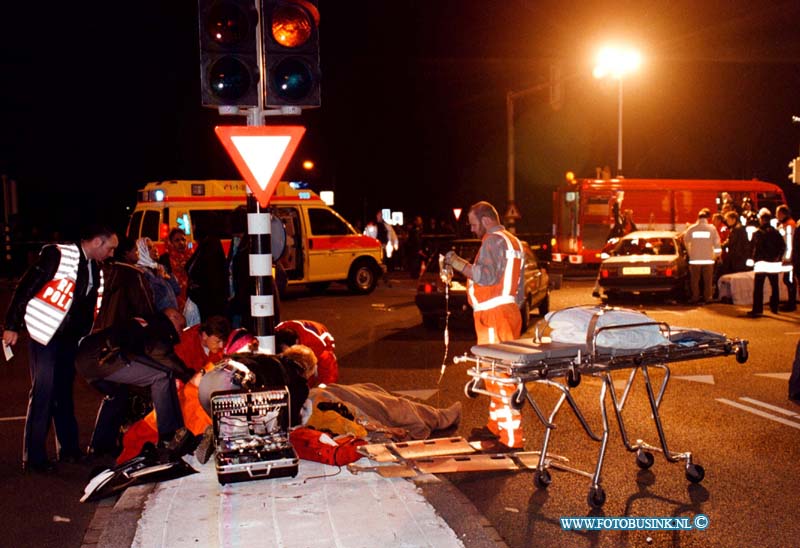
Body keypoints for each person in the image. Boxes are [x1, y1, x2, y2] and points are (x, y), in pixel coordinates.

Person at [2, 224, 118, 473]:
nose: (111, 254)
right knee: (43, 392)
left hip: (69, 339)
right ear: (98, 242)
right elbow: (25, 287)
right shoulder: (58, 255)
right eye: (110, 248)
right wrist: (11, 325)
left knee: (63, 391)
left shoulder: (93, 267)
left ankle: (69, 450)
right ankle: (34, 458)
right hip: (46, 334)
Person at [444, 201, 525, 450]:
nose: (471, 229)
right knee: (493, 375)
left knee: (499, 377)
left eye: (473, 224)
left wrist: (456, 263)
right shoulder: (513, 241)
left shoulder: (492, 240)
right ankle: (495, 428)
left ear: (486, 220)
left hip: (493, 315)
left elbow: (486, 276)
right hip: (505, 312)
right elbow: (518, 289)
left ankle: (511, 439)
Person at [76, 308, 194, 462]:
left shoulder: (145, 322)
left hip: (87, 358)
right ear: (172, 317)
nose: (182, 332)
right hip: (104, 358)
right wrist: (190, 375)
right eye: (181, 326)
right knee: (162, 377)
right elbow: (163, 357)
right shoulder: (160, 325)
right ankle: (168, 437)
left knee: (117, 395)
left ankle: (100, 446)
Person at [275, 319, 338, 386]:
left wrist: (323, 388)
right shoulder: (274, 335)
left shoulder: (315, 344)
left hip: (320, 347)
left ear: (297, 342)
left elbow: (328, 371)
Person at [747, 208, 786, 317]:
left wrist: (754, 259)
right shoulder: (776, 232)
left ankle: (757, 309)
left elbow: (754, 248)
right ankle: (774, 307)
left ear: (761, 219)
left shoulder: (758, 233)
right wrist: (778, 258)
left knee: (758, 288)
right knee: (775, 286)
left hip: (761, 264)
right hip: (774, 264)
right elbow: (783, 246)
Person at [185, 223, 227, 321]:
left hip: (209, 302)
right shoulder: (203, 246)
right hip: (203, 300)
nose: (193, 229)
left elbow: (211, 275)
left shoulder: (211, 246)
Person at [681, 208, 721, 304]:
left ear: (698, 218)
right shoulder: (712, 229)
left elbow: (686, 242)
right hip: (708, 259)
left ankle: (695, 297)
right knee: (708, 281)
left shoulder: (691, 229)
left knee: (695, 280)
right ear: (707, 218)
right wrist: (716, 255)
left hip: (695, 259)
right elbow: (717, 243)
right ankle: (708, 297)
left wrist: (690, 253)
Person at [136, 237, 180, 312]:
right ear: (141, 251)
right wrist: (160, 277)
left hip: (173, 314)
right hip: (161, 316)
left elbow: (177, 290)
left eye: (154, 246)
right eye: (149, 248)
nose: (155, 249)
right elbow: (156, 297)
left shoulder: (160, 267)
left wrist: (169, 277)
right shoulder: (141, 272)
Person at [158, 228, 191, 311]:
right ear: (170, 242)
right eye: (177, 240)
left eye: (183, 239)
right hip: (173, 300)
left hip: (190, 299)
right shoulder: (164, 259)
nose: (181, 243)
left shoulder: (191, 257)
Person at [776, 205, 796, 312]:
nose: (776, 215)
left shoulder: (789, 225)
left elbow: (789, 243)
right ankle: (791, 303)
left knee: (789, 280)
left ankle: (791, 304)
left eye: (778, 213)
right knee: (788, 280)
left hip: (790, 258)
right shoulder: (785, 225)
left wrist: (787, 258)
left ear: (783, 213)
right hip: (789, 257)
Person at [720, 211, 751, 276]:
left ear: (734, 219)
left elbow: (730, 242)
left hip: (737, 257)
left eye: (728, 220)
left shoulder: (736, 230)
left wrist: (721, 245)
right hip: (740, 256)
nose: (727, 222)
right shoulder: (740, 228)